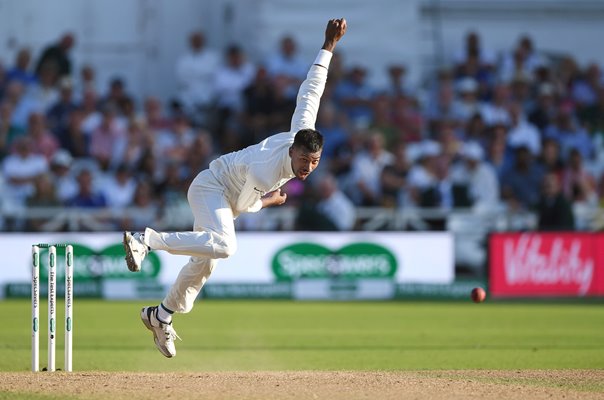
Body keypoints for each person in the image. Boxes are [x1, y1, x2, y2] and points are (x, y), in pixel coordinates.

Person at [122, 18, 347, 358]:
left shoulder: (302, 132)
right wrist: (269, 201)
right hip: (212, 187)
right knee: (225, 245)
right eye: (304, 160)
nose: (308, 168)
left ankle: (160, 316)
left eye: (314, 162)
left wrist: (328, 46)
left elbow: (310, 90)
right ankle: (146, 240)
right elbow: (244, 205)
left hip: (225, 193)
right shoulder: (268, 170)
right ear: (292, 151)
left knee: (205, 263)